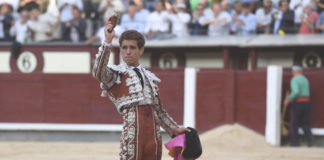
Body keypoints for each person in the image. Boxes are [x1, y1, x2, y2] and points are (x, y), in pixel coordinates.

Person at [92, 17, 189, 160]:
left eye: (132, 48)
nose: (128, 52)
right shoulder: (116, 74)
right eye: (124, 48)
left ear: (141, 50)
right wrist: (107, 42)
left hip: (153, 135)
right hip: (132, 133)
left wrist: (174, 129)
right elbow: (98, 73)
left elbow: (159, 110)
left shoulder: (150, 77)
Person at [284, 65, 313, 147]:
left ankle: (295, 143)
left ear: (294, 72)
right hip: (306, 103)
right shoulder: (305, 79)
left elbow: (296, 92)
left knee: (294, 123)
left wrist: (288, 99)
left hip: (298, 103)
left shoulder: (294, 79)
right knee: (305, 123)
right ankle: (309, 138)